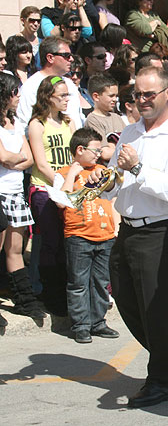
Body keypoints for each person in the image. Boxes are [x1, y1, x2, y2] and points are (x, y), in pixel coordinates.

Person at [92, 65, 168, 408]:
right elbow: (117, 177)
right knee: (125, 299)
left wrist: (138, 168)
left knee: (155, 309)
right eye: (137, 94)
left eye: (148, 94)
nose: (142, 100)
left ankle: (161, 379)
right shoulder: (130, 132)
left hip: (159, 230)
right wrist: (105, 183)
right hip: (128, 228)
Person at [53, 128, 118, 343]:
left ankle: (97, 322)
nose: (98, 154)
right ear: (80, 149)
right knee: (79, 282)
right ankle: (80, 325)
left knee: (100, 281)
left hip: (104, 234)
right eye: (95, 150)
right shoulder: (62, 174)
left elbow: (115, 192)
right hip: (78, 236)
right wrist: (74, 171)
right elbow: (61, 200)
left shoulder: (101, 169)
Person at [28, 75, 77, 317]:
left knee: (68, 244)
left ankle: (68, 294)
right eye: (63, 95)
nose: (67, 100)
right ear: (48, 97)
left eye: (68, 94)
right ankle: (51, 294)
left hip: (67, 189)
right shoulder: (37, 124)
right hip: (45, 190)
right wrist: (60, 182)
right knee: (51, 243)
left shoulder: (69, 122)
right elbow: (41, 163)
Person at [0, 73, 45, 321]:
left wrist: (12, 159)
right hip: (0, 192)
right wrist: (13, 159)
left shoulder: (17, 125)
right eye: (14, 92)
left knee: (15, 249)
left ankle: (24, 301)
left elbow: (27, 159)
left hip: (15, 192)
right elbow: (6, 157)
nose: (18, 97)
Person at [16, 37, 82, 135]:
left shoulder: (70, 84)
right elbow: (24, 124)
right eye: (66, 55)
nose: (71, 59)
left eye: (71, 55)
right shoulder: (30, 87)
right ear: (50, 58)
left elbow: (78, 117)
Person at [84, 73, 124, 161]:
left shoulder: (117, 117)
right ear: (96, 96)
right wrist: (123, 149)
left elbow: (130, 143)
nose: (115, 99)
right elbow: (104, 153)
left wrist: (112, 146)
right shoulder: (93, 120)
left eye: (116, 96)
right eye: (111, 96)